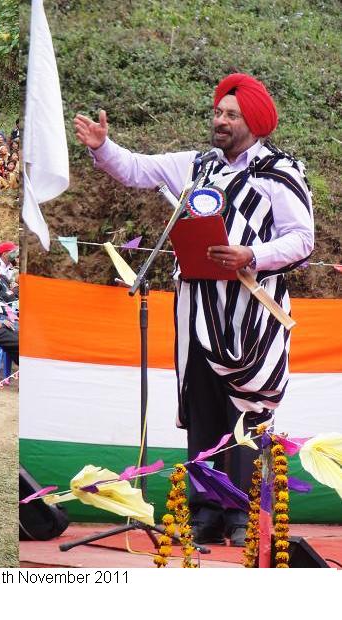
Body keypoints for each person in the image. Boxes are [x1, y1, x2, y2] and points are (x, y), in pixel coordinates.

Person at [73, 73, 314, 546]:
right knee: (203, 412)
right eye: (217, 112)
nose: (219, 121)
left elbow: (302, 239)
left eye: (230, 115)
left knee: (246, 414)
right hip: (197, 310)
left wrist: (253, 254)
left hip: (252, 314)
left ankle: (243, 516)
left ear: (254, 122)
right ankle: (204, 512)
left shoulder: (280, 173)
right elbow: (137, 169)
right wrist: (104, 148)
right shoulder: (198, 164)